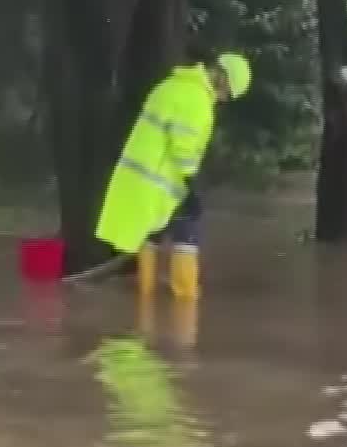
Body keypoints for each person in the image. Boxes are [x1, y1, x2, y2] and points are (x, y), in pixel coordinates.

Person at [95, 51, 251, 302]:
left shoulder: (170, 86)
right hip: (164, 182)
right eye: (227, 94)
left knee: (149, 237)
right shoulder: (197, 100)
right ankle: (186, 302)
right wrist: (192, 185)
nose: (223, 100)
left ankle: (144, 298)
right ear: (222, 80)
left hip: (142, 182)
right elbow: (184, 147)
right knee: (188, 233)